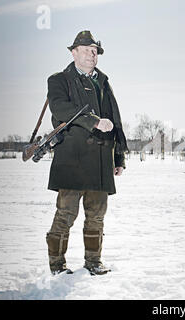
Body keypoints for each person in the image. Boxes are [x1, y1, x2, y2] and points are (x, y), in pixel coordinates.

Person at [45, 30, 128, 276]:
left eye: (95, 52)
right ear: (74, 52)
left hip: (101, 160)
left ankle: (94, 261)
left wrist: (118, 156)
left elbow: (115, 119)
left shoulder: (103, 81)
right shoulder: (59, 80)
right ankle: (57, 266)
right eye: (87, 50)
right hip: (72, 159)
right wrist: (93, 121)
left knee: (97, 216)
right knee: (65, 215)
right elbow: (61, 108)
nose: (92, 55)